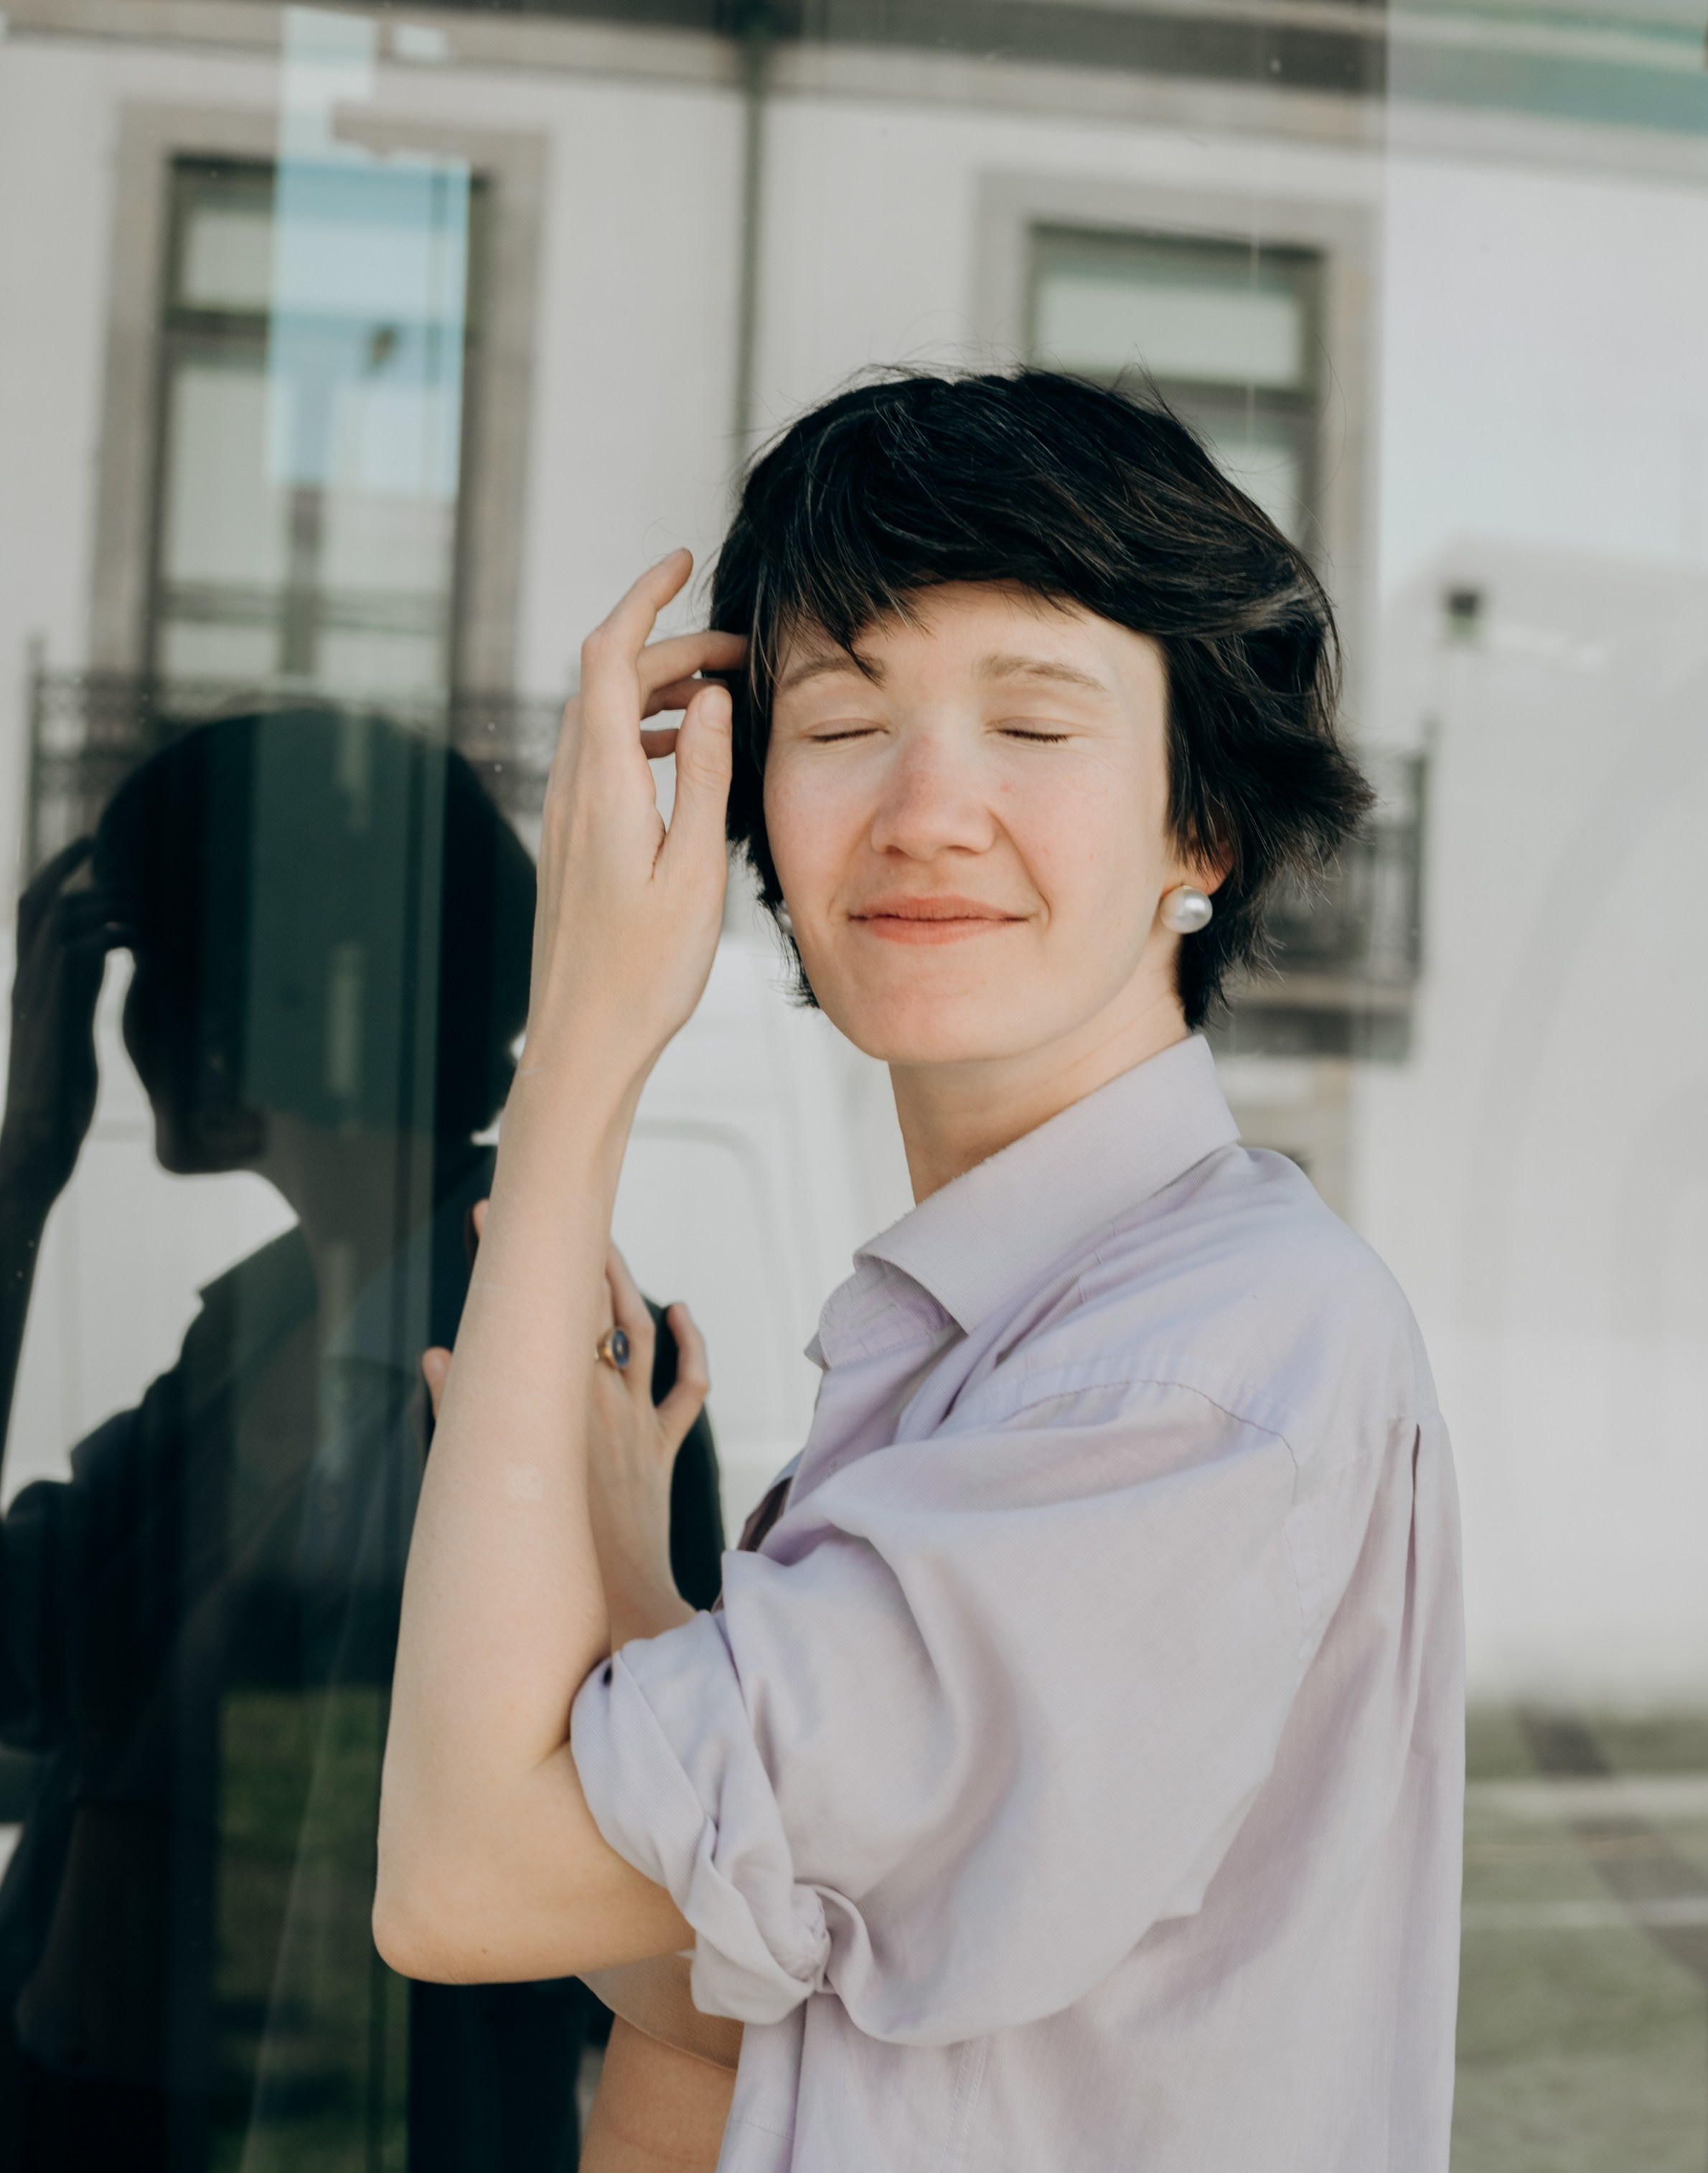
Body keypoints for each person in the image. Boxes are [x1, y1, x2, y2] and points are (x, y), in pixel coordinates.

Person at [377, 370, 1464, 2172]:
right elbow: (717, 1967)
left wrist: (576, 1056)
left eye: (1034, 725)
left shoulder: (1179, 1372)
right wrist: (645, 1599)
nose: (925, 807)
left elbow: (461, 1877)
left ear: (1200, 828)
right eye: (839, 720)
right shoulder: (1032, 1324)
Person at [0, 708, 723, 2171]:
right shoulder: (259, 1336)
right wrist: (21, 1179)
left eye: (150, 966)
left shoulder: (552, 1352)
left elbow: (609, 1895)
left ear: (271, 1009)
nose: (132, 1024)